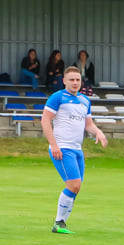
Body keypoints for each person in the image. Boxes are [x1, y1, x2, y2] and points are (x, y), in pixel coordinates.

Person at [41, 66, 108, 235]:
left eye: (78, 79)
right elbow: (45, 120)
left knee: (76, 188)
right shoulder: (58, 97)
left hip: (77, 149)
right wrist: (54, 144)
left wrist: (98, 132)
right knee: (74, 184)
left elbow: (88, 124)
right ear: (64, 81)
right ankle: (58, 223)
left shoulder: (85, 100)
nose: (75, 82)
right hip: (62, 148)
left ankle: (61, 223)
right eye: (71, 79)